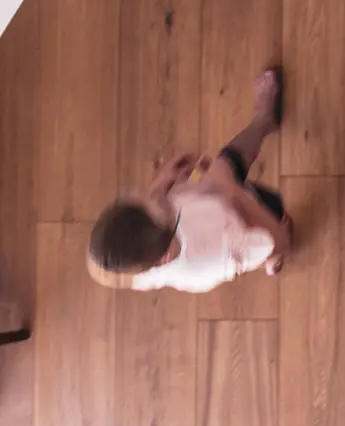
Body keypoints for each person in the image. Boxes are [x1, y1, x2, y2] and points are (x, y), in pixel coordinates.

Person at [86, 68, 292, 293]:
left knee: (230, 157)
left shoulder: (137, 265)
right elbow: (277, 238)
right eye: (159, 200)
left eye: (139, 195)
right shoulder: (214, 254)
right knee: (275, 223)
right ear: (166, 257)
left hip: (210, 193)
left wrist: (163, 181)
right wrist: (233, 191)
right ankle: (272, 261)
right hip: (245, 220)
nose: (155, 193)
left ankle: (263, 122)